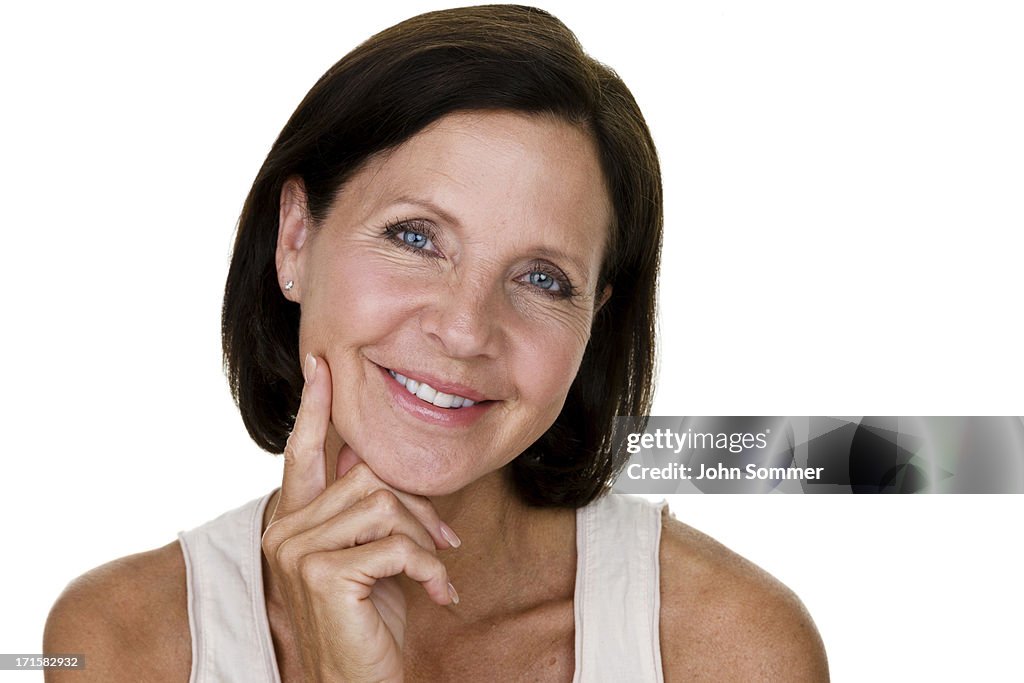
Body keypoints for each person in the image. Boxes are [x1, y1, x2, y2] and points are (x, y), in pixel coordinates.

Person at [44, 5, 828, 681]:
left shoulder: (729, 645)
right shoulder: (116, 641)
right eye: (416, 236)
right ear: (294, 240)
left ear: (595, 322)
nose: (463, 328)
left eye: (544, 279)